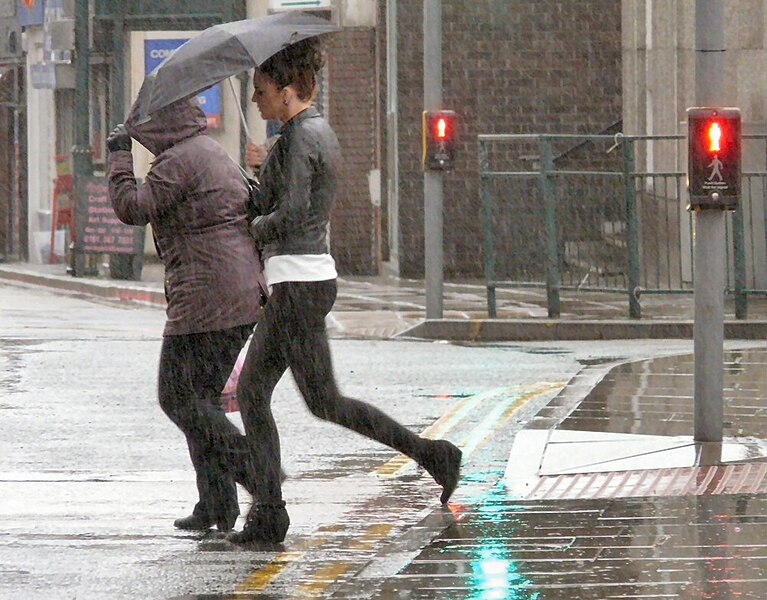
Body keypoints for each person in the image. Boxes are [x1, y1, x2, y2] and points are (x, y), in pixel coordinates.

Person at [227, 38, 462, 545]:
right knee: (325, 401)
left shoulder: (297, 138)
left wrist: (253, 227)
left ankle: (269, 512)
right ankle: (432, 455)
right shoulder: (312, 133)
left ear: (287, 90)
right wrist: (257, 172)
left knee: (252, 393)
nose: (255, 100)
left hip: (297, 282)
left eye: (262, 90)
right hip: (308, 280)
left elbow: (288, 216)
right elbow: (288, 204)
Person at [106, 96, 268, 532]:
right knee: (200, 400)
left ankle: (257, 473)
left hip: (208, 296)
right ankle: (216, 503)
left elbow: (133, 208)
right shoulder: (208, 150)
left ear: (164, 122)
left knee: (177, 397)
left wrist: (119, 157)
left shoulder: (178, 161)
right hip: (233, 292)